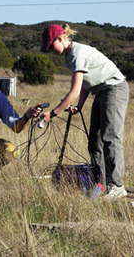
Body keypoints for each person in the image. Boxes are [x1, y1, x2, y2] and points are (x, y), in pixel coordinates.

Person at [41, 24, 129, 199]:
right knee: (94, 141)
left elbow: (73, 91)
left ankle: (117, 186)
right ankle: (101, 183)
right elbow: (84, 85)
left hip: (114, 89)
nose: (51, 49)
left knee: (110, 137)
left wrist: (53, 113)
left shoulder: (77, 53)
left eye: (51, 45)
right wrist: (80, 106)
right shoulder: (69, 56)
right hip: (100, 91)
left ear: (60, 38)